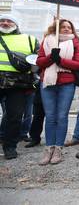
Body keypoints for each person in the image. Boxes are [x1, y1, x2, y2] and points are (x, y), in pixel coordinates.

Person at [36, 18, 79, 165]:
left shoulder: (76, 44)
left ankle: (58, 148)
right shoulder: (47, 41)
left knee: (62, 116)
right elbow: (39, 62)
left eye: (68, 27)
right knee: (50, 117)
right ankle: (48, 148)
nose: (65, 29)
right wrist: (51, 56)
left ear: (72, 30)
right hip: (48, 83)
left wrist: (60, 60)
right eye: (62, 27)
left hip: (66, 84)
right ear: (55, 28)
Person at [0, 14, 39, 159]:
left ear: (16, 24)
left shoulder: (30, 39)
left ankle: (10, 147)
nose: (5, 22)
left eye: (9, 20)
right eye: (2, 20)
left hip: (18, 85)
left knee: (14, 117)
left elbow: (38, 60)